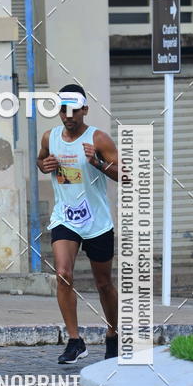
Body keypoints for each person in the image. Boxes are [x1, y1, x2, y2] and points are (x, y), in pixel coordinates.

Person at [37, 83, 119, 363]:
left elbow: (126, 175)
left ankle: (113, 333)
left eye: (74, 110)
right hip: (65, 217)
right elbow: (41, 159)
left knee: (103, 284)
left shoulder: (99, 139)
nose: (68, 115)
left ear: (85, 109)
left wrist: (97, 163)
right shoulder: (50, 137)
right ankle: (75, 340)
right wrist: (43, 165)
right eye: (63, 110)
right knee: (63, 274)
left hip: (97, 223)